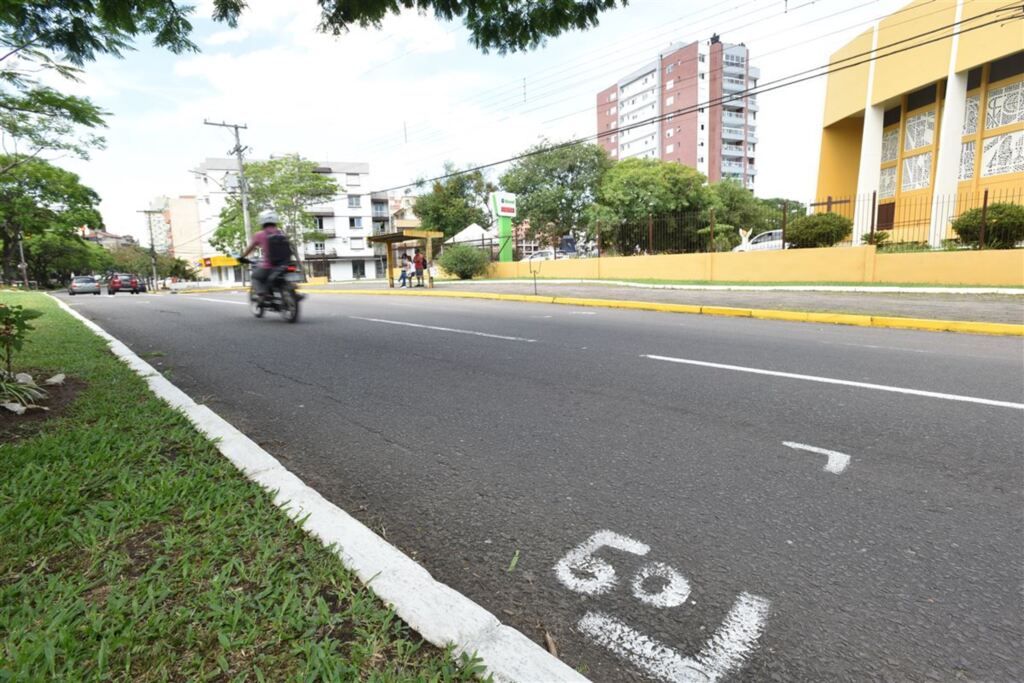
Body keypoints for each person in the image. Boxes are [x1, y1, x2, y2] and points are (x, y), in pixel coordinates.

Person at [241, 210, 291, 300]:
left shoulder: (260, 235)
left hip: (268, 266)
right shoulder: (281, 233)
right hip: (283, 264)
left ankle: (263, 294)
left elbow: (250, 248)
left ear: (262, 221)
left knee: (255, 277)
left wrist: (242, 257)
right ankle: (292, 292)